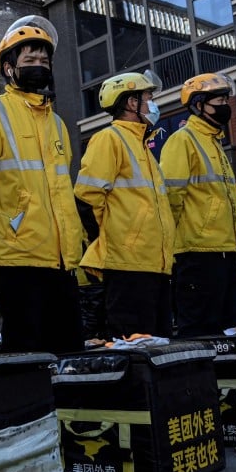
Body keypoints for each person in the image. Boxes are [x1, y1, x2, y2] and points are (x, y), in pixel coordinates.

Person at [0, 15, 83, 353]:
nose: (39, 65)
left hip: (61, 260)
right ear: (9, 68)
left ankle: (66, 408)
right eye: (30, 60)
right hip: (16, 257)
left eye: (44, 60)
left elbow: (61, 190)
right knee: (27, 350)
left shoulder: (57, 124)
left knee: (69, 349)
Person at [75, 71, 175, 338]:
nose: (153, 104)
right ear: (131, 103)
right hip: (127, 266)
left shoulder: (142, 146)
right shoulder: (109, 138)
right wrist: (109, 243)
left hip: (155, 264)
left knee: (158, 345)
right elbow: (86, 198)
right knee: (132, 343)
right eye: (148, 98)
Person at [159, 73, 236, 336]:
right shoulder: (182, 140)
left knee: (231, 327)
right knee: (200, 327)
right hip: (197, 252)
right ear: (198, 104)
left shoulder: (215, 143)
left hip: (227, 251)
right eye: (217, 100)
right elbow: (171, 197)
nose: (224, 105)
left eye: (224, 99)